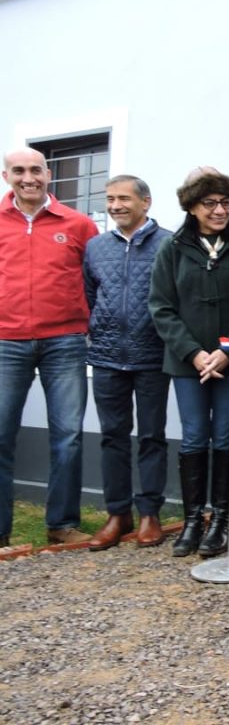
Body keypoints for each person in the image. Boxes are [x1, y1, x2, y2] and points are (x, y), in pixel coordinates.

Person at [149, 167, 229, 558]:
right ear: (191, 207)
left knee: (225, 436)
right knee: (194, 436)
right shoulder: (172, 248)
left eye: (225, 202)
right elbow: (160, 307)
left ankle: (222, 521)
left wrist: (226, 351)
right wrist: (193, 353)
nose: (219, 210)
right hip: (187, 363)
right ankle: (194, 519)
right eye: (210, 203)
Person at [0, 147, 98, 547]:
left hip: (65, 342)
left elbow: (97, 278)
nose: (29, 178)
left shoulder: (77, 225)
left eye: (36, 170)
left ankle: (61, 524)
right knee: (1, 436)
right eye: (19, 171)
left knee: (68, 436)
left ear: (48, 174)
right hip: (5, 341)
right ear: (7, 176)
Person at [84, 175, 172, 551]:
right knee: (112, 437)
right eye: (110, 199)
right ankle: (117, 515)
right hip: (106, 357)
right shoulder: (95, 247)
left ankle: (150, 513)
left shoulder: (169, 243)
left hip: (152, 355)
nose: (116, 205)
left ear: (145, 202)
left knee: (152, 436)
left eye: (123, 198)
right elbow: (90, 295)